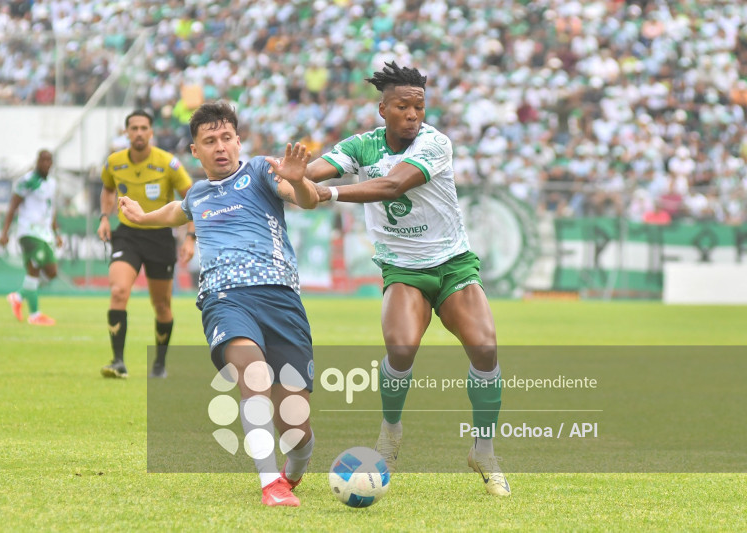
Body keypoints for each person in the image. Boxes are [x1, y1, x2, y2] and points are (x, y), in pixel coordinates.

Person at [304, 62, 511, 496]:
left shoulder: (435, 143)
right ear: (383, 109)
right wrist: (287, 175)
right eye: (402, 106)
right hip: (402, 268)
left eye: (419, 106)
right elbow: (313, 171)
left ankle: (484, 451)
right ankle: (391, 431)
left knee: (485, 348)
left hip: (453, 263)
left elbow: (392, 186)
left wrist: (329, 193)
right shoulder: (361, 146)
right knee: (400, 350)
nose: (413, 114)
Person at [118, 101, 318, 507]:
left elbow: (306, 199)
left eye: (226, 137)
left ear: (239, 141)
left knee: (295, 424)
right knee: (252, 376)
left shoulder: (260, 171)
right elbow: (177, 211)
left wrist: (299, 182)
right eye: (210, 141)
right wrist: (141, 217)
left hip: (280, 298)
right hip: (224, 299)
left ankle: (295, 466)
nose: (220, 146)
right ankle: (270, 484)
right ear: (196, 150)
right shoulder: (198, 194)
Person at [97, 110, 195, 379]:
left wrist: (190, 237)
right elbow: (107, 189)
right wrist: (104, 217)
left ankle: (159, 364)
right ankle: (118, 361)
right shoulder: (114, 162)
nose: (139, 133)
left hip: (159, 237)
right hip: (127, 235)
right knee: (119, 291)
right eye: (134, 128)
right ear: (126, 132)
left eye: (143, 128)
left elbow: (192, 198)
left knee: (161, 305)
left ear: (151, 132)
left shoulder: (168, 163)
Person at [0, 150, 61, 326]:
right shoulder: (27, 181)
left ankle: (18, 297)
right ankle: (35, 315)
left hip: (44, 233)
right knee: (34, 269)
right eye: (43, 160)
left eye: (49, 160)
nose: (46, 164)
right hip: (29, 231)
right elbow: (13, 206)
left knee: (52, 272)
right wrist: (5, 232)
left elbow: (51, 210)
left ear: (52, 163)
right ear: (37, 162)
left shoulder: (52, 184)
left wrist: (56, 233)